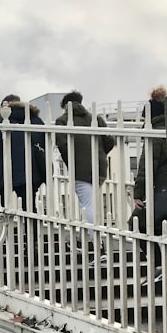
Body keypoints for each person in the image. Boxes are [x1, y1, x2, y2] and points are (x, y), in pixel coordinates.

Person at [54, 90, 116, 250]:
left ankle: (95, 244)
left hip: (80, 169)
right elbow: (109, 140)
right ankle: (84, 239)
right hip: (99, 167)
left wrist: (72, 160)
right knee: (89, 204)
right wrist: (100, 155)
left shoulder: (63, 120)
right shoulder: (96, 119)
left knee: (87, 205)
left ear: (65, 106)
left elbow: (61, 144)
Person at [132, 85, 167, 272]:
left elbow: (146, 167)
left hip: (162, 190)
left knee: (136, 223)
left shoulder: (153, 134)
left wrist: (138, 193)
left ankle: (159, 266)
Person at [0, 94, 47, 210]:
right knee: (29, 207)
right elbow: (42, 146)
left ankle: (8, 227)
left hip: (3, 172)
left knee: (2, 206)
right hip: (31, 172)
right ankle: (30, 228)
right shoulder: (36, 121)